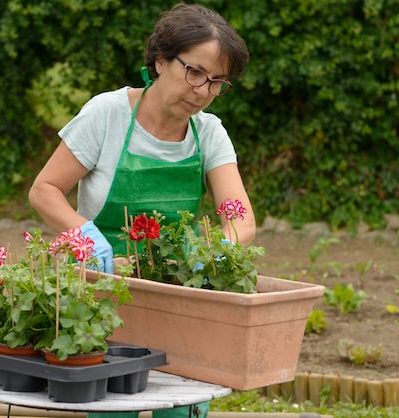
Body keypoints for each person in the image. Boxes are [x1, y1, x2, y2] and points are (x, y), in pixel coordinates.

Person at [29, 3, 254, 417]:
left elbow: (239, 216)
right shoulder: (107, 115)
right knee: (112, 406)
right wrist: (86, 236)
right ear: (160, 61)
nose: (204, 91)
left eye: (217, 81)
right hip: (103, 296)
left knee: (181, 405)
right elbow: (44, 189)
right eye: (195, 72)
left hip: (175, 297)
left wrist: (218, 252)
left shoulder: (209, 134)